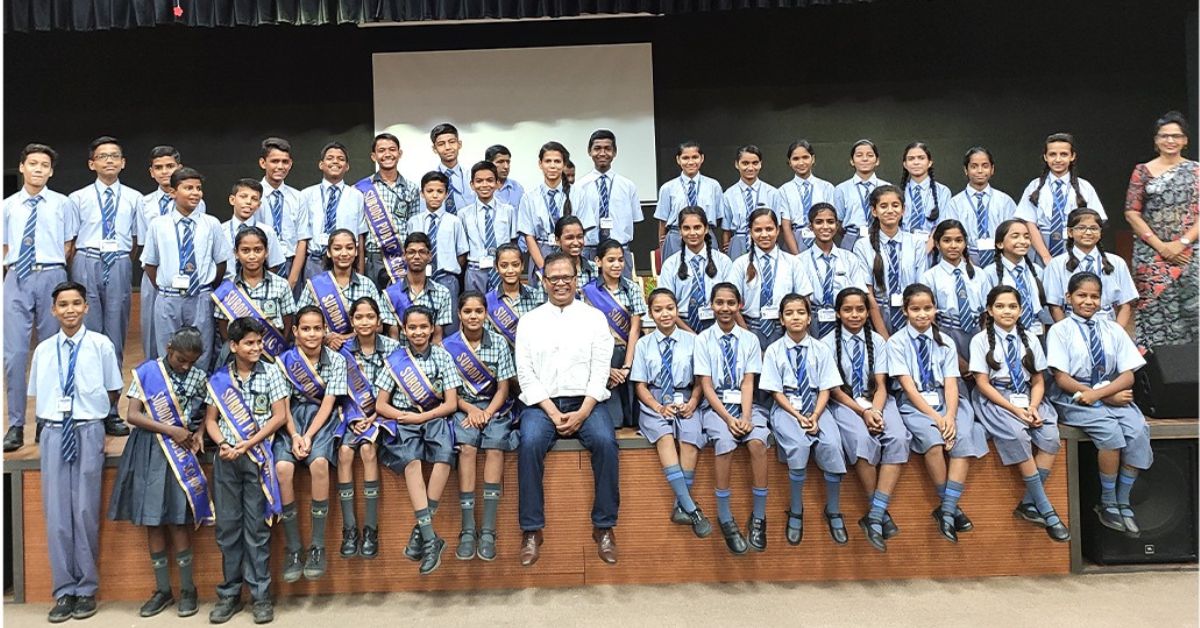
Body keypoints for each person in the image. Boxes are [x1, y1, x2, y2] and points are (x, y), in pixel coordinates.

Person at [515, 252, 620, 566]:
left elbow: (601, 369)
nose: (560, 283)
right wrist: (550, 410)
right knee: (530, 443)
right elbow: (525, 373)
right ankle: (532, 531)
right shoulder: (529, 321)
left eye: (567, 278)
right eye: (554, 278)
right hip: (542, 403)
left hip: (586, 401)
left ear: (577, 280)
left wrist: (584, 412)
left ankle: (604, 527)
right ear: (543, 281)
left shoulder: (594, 318)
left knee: (606, 443)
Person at [30, 281, 123, 623]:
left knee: (84, 510)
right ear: (53, 310)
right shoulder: (43, 350)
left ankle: (86, 589)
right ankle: (63, 590)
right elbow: (38, 396)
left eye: (76, 303)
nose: (70, 309)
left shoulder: (100, 345)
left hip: (86, 429)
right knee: (56, 515)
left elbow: (114, 390)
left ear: (86, 308)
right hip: (55, 431)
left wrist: (91, 416)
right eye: (63, 304)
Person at [107, 327, 212, 618]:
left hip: (181, 452)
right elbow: (133, 415)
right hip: (150, 450)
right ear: (168, 348)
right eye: (181, 359)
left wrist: (200, 432)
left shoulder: (199, 377)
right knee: (153, 521)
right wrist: (171, 430)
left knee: (179, 521)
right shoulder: (147, 372)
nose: (185, 365)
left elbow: (207, 411)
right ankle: (163, 590)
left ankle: (188, 589)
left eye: (191, 361)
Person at [1047, 272, 1151, 538]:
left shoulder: (1112, 328)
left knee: (1138, 430)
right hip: (1075, 396)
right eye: (1082, 295)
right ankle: (1106, 502)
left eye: (1094, 296)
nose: (1089, 301)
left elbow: (1128, 374)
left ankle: (1123, 499)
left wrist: (1104, 393)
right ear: (1069, 298)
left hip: (1110, 392)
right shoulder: (1060, 330)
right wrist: (1097, 395)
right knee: (1111, 433)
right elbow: (1061, 377)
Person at [204, 316, 289, 625]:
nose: (256, 347)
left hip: (258, 458)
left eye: (259, 342)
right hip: (227, 458)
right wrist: (225, 443)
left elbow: (279, 416)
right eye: (250, 343)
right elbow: (211, 419)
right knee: (228, 528)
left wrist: (247, 443)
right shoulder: (219, 379)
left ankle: (260, 596)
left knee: (256, 529)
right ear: (234, 345)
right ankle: (229, 594)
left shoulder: (272, 373)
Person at [887, 283, 988, 543]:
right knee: (933, 443)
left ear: (936, 309)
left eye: (928, 308)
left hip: (948, 401)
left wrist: (950, 416)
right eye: (916, 309)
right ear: (906, 311)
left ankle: (945, 510)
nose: (922, 314)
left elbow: (952, 382)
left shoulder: (945, 341)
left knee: (963, 438)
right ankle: (950, 506)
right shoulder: (897, 342)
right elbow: (908, 387)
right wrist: (936, 418)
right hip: (916, 404)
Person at [970, 286, 1069, 542]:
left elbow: (1038, 380)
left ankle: (1028, 503)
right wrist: (1015, 409)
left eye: (1012, 306)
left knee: (1049, 436)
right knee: (1017, 434)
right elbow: (982, 383)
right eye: (1000, 306)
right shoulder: (980, 340)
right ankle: (1046, 509)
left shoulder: (1030, 339)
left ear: (1021, 310)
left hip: (1027, 395)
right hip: (998, 398)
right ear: (990, 311)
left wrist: (1033, 407)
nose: (1007, 311)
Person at [374, 306, 463, 575]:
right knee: (411, 461)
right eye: (412, 328)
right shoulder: (395, 359)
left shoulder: (443, 357)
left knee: (445, 454)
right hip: (404, 419)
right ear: (403, 330)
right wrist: (405, 417)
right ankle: (430, 539)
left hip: (434, 416)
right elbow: (381, 404)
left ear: (433, 328)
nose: (418, 332)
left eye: (423, 327)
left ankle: (422, 532)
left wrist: (425, 417)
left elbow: (450, 403)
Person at [759, 293, 849, 546]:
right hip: (787, 408)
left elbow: (826, 388)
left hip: (818, 406)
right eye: (789, 313)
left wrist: (816, 414)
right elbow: (775, 391)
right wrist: (798, 416)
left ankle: (833, 509)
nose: (795, 317)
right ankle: (796, 510)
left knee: (831, 444)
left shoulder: (821, 349)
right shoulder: (774, 351)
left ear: (809, 318)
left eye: (801, 313)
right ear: (781, 319)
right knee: (798, 446)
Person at [4, 143, 77, 452]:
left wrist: (54, 272)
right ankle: (16, 424)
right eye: (32, 163)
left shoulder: (62, 204)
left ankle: (49, 419)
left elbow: (68, 245)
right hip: (16, 277)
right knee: (14, 355)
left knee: (52, 351)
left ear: (51, 171)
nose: (38, 169)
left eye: (44, 165)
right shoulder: (7, 205)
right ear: (22, 167)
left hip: (51, 274)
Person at [823, 287, 908, 553]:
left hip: (877, 402)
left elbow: (881, 384)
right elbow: (834, 390)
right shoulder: (826, 343)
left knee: (897, 437)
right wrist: (863, 413)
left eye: (860, 309)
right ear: (838, 313)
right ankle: (879, 513)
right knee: (860, 439)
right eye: (847, 309)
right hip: (846, 404)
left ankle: (874, 515)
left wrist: (877, 411)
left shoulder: (878, 341)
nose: (854, 314)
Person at [69, 136, 140, 436]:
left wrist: (120, 259)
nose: (109, 161)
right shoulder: (78, 198)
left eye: (115, 156)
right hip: (87, 259)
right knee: (87, 337)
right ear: (92, 163)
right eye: (103, 156)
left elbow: (136, 241)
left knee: (114, 339)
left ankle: (111, 409)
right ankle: (88, 408)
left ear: (123, 162)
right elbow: (70, 241)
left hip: (120, 261)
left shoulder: (136, 198)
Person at [694, 282, 770, 554]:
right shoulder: (702, 339)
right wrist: (729, 419)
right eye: (719, 303)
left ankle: (759, 516)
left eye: (730, 303)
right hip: (717, 409)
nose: (725, 308)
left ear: (739, 306)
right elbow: (706, 386)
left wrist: (747, 416)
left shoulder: (750, 340)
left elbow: (748, 382)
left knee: (758, 443)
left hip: (747, 405)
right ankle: (725, 517)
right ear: (711, 305)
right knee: (724, 445)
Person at [275, 306, 349, 582]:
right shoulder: (283, 361)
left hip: (322, 419)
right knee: (283, 468)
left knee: (319, 464)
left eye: (318, 328)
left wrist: (308, 436)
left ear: (325, 331)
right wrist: (295, 435)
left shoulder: (337, 360)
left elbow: (330, 402)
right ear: (295, 331)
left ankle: (317, 545)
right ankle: (293, 547)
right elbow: (281, 404)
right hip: (290, 420)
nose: (312, 334)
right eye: (305, 328)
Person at [630, 289, 712, 537]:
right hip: (655, 400)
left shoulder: (694, 341)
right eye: (658, 310)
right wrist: (658, 407)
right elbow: (640, 385)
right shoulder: (643, 344)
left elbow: (700, 380)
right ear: (650, 313)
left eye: (669, 308)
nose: (664, 314)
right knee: (664, 437)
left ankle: (680, 507)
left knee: (690, 438)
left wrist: (694, 402)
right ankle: (691, 508)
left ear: (677, 310)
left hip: (686, 397)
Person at [444, 292, 519, 561]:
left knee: (496, 447)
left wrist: (487, 411)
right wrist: (471, 410)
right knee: (466, 448)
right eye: (467, 311)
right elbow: (449, 390)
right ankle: (467, 529)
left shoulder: (498, 343)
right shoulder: (448, 345)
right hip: (463, 408)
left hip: (494, 408)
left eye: (478, 311)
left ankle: (488, 529)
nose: (473, 316)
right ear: (459, 315)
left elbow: (503, 387)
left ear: (486, 314)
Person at [141, 167, 231, 371]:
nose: (195, 193)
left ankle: (198, 399)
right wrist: (165, 286)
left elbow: (221, 261)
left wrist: (205, 286)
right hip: (168, 297)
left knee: (202, 349)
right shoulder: (158, 225)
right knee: (168, 349)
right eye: (188, 188)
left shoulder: (211, 224)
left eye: (198, 188)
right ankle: (171, 397)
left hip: (201, 297)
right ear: (173, 192)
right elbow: (150, 263)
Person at [1124, 111, 1199, 349]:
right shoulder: (1142, 171)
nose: (1170, 141)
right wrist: (1161, 247)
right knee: (1155, 312)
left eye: (1176, 136)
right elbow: (1131, 212)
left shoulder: (1197, 171)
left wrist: (1183, 243)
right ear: (1156, 141)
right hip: (1152, 255)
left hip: (1191, 253)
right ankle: (1156, 377)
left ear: (1185, 140)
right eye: (1164, 136)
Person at [335, 297, 399, 560]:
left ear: (379, 320)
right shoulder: (341, 354)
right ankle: (349, 528)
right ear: (352, 321)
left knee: (368, 450)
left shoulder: (394, 348)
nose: (364, 322)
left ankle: (370, 528)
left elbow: (400, 389)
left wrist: (373, 416)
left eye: (370, 317)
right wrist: (353, 418)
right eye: (359, 317)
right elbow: (338, 393)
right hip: (351, 415)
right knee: (345, 454)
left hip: (383, 415)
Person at [135, 146, 193, 363]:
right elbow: (142, 242)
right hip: (154, 273)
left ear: (179, 167)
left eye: (170, 166)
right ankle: (156, 379)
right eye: (158, 167)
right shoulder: (144, 203)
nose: (164, 171)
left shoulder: (194, 200)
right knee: (151, 329)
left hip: (186, 273)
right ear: (151, 172)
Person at [298, 229, 399, 348]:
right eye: (337, 248)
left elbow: (379, 326)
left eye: (349, 248)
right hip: (324, 351)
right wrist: (326, 338)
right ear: (329, 252)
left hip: (360, 354)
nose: (344, 253)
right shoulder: (315, 285)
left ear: (356, 251)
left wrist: (344, 338)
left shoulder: (367, 285)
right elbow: (300, 324)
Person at [1016, 132, 1107, 264]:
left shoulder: (1085, 187)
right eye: (1052, 154)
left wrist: (1080, 252)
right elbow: (1029, 223)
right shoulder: (1034, 186)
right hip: (1040, 247)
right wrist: (1045, 256)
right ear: (1045, 157)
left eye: (1063, 154)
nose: (1058, 159)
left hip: (1076, 246)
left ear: (1072, 156)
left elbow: (1095, 224)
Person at [583, 239, 645, 429]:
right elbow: (585, 332)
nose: (617, 265)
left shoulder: (632, 288)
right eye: (611, 260)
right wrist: (606, 369)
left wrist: (626, 366)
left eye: (620, 260)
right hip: (601, 355)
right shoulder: (587, 291)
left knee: (632, 419)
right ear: (598, 262)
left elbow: (635, 329)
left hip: (628, 351)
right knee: (614, 421)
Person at [212, 226, 296, 364]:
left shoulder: (281, 285)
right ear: (236, 253)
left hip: (272, 353)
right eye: (245, 250)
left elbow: (288, 322)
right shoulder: (227, 289)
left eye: (258, 250)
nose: (252, 256)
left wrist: (280, 348)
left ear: (266, 252)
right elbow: (222, 326)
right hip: (237, 356)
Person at [853, 185, 928, 336]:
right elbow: (868, 294)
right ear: (874, 211)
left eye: (895, 205)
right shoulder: (863, 245)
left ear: (903, 210)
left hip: (910, 313)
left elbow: (920, 288)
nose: (890, 211)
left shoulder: (916, 243)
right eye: (883, 206)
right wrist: (884, 337)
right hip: (879, 314)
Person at [1043, 208, 1137, 327]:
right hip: (1071, 325)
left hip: (1108, 325)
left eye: (1093, 228)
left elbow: (1126, 304)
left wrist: (1117, 334)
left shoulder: (1117, 262)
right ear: (1070, 232)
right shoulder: (1057, 264)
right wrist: (1067, 333)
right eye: (1081, 228)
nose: (1088, 233)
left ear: (1100, 232)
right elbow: (1054, 306)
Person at [729, 208, 807, 350]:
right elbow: (732, 304)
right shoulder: (740, 264)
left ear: (777, 231)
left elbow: (804, 299)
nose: (764, 234)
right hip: (750, 328)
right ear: (751, 232)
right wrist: (746, 334)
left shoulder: (793, 262)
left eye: (769, 229)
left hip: (784, 329)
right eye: (758, 230)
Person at [795, 203, 870, 339]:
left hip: (844, 319)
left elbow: (860, 293)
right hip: (812, 321)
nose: (825, 227)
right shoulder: (799, 261)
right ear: (811, 227)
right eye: (819, 222)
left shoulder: (849, 258)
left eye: (830, 222)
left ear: (837, 225)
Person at [296, 142, 366, 286]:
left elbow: (360, 236)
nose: (335, 161)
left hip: (346, 262)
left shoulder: (357, 196)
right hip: (315, 261)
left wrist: (360, 272)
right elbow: (302, 236)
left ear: (347, 166)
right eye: (330, 158)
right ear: (321, 164)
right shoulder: (306, 194)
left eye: (340, 159)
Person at [407, 171, 468, 331]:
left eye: (440, 191)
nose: (435, 196)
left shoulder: (454, 222)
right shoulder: (414, 221)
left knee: (449, 325)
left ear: (446, 194)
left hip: (446, 279)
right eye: (430, 191)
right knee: (421, 321)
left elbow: (461, 255)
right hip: (420, 279)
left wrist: (447, 269)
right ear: (422, 193)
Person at [656, 207, 732, 334]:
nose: (692, 233)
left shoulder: (723, 262)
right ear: (680, 231)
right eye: (686, 228)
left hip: (717, 325)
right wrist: (690, 335)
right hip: (681, 326)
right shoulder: (670, 265)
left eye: (697, 227)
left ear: (706, 229)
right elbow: (666, 305)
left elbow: (730, 301)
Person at [359, 133, 421, 288]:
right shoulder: (361, 189)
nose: (387, 154)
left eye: (392, 149)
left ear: (399, 154)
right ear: (374, 156)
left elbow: (413, 227)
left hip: (400, 258)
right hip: (373, 256)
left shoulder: (412, 188)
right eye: (381, 150)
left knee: (400, 304)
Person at [920, 220, 988, 362]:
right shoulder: (929, 277)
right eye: (946, 240)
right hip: (946, 332)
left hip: (976, 333)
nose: (953, 246)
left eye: (958, 240)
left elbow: (986, 313)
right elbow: (929, 318)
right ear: (937, 244)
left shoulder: (979, 274)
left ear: (965, 243)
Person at [576, 130, 642, 271]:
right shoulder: (579, 187)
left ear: (615, 152)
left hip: (620, 251)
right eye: (597, 148)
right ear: (589, 151)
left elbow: (635, 220)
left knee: (622, 291)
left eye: (607, 149)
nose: (602, 153)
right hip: (590, 251)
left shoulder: (628, 186)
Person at [946, 147, 1019, 267]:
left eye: (985, 166)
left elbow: (1014, 233)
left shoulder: (1005, 201)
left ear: (992, 169)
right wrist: (965, 261)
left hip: (1000, 259)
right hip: (965, 260)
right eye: (974, 166)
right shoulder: (955, 203)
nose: (980, 171)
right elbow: (950, 235)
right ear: (966, 170)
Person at [517, 141, 581, 278]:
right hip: (540, 254)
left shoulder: (578, 194)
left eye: (557, 161)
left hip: (570, 255)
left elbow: (582, 233)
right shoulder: (529, 198)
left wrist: (572, 265)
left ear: (564, 164)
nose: (552, 166)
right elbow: (529, 236)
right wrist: (543, 269)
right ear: (540, 164)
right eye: (548, 161)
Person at [980, 219, 1050, 337]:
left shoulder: (1037, 270)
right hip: (1004, 333)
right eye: (1015, 236)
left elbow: (1042, 305)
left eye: (1027, 237)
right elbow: (986, 312)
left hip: (1035, 332)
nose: (1023, 241)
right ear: (1000, 244)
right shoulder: (990, 273)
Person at [722, 145, 795, 257]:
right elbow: (726, 230)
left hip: (766, 242)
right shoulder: (728, 194)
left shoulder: (773, 193)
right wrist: (728, 249)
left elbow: (777, 226)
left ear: (760, 164)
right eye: (745, 163)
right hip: (739, 243)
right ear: (737, 164)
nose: (750, 168)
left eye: (755, 163)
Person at [655, 141, 723, 261]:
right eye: (685, 158)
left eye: (695, 157)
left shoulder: (713, 186)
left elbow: (718, 218)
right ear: (678, 160)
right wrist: (663, 244)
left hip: (705, 236)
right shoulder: (668, 188)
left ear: (702, 158)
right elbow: (663, 221)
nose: (690, 162)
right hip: (676, 237)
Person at [457, 161, 517, 294]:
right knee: (475, 307)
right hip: (475, 270)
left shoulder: (508, 211)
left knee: (502, 306)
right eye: (479, 181)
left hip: (502, 269)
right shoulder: (463, 214)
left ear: (497, 183)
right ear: (472, 185)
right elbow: (462, 247)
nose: (484, 185)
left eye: (490, 180)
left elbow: (513, 242)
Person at [384, 233, 454, 344]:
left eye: (421, 252)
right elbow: (393, 338)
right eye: (411, 252)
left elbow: (437, 337)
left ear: (429, 256)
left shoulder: (442, 293)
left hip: (431, 355)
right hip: (402, 357)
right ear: (404, 256)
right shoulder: (390, 294)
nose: (416, 257)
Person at [253, 137, 303, 282]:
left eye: (285, 162)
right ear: (263, 163)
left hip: (290, 264)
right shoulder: (252, 195)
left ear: (290, 164)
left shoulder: (298, 197)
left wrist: (293, 279)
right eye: (275, 161)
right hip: (260, 264)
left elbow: (302, 240)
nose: (280, 166)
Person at [220, 179, 286, 279]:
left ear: (259, 205)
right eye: (243, 197)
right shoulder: (220, 231)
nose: (248, 202)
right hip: (227, 290)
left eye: (254, 199)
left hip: (258, 287)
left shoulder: (267, 232)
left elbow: (273, 265)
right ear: (232, 200)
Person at [779, 140, 836, 254]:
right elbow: (785, 226)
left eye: (805, 157)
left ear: (813, 159)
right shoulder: (783, 190)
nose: (801, 162)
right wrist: (796, 256)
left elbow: (833, 221)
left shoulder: (826, 187)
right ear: (789, 162)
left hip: (821, 235)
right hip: (795, 238)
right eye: (796, 159)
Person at [832, 139, 891, 252]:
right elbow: (838, 222)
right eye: (859, 155)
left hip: (881, 236)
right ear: (852, 161)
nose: (865, 159)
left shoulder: (887, 187)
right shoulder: (842, 189)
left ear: (877, 160)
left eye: (870, 155)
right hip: (852, 238)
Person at [484, 244, 546, 344]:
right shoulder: (487, 301)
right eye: (504, 266)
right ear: (496, 267)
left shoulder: (535, 296)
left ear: (522, 266)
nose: (510, 270)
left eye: (515, 265)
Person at [896, 141, 952, 238]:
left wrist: (930, 244)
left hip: (933, 246)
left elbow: (944, 224)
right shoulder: (897, 192)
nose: (916, 162)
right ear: (905, 164)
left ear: (929, 162)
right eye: (911, 159)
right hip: (903, 246)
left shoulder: (943, 191)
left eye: (921, 158)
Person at [429, 123, 476, 214]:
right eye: (441, 144)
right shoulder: (427, 182)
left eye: (452, 142)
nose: (448, 147)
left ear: (459, 144)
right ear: (434, 149)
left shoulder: (472, 177)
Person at [486, 144, 525, 208]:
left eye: (508, 162)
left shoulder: (517, 188)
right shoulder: (480, 188)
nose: (506, 166)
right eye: (500, 162)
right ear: (488, 164)